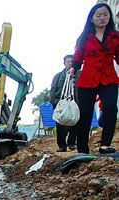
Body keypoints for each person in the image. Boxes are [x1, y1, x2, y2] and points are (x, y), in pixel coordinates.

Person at [68, 3, 118, 154]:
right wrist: (74, 67)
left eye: (105, 14)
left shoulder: (115, 36)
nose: (102, 18)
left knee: (110, 107)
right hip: (87, 79)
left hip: (108, 78)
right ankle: (83, 148)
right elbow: (78, 56)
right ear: (91, 19)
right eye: (98, 15)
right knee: (85, 113)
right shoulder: (84, 37)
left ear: (109, 17)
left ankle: (105, 145)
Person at [50, 54, 77, 152]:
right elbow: (53, 89)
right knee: (60, 123)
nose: (70, 63)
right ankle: (62, 145)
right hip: (60, 102)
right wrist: (53, 101)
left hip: (74, 103)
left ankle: (72, 143)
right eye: (68, 61)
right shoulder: (58, 76)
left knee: (75, 122)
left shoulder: (79, 74)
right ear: (64, 63)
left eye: (71, 61)